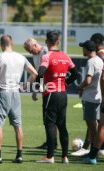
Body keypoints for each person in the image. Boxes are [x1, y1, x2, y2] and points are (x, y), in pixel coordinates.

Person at [0, 35, 37, 164]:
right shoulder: (21, 57)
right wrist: (25, 86)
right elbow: (34, 73)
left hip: (3, 91)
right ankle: (19, 155)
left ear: (1, 44)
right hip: (15, 92)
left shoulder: (0, 57)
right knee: (17, 125)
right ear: (12, 43)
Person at [35, 31, 78, 164]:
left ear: (47, 42)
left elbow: (40, 72)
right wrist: (66, 82)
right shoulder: (65, 56)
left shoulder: (47, 56)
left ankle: (50, 157)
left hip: (51, 94)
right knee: (62, 125)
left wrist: (38, 86)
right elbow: (75, 74)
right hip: (63, 94)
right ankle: (65, 156)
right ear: (58, 42)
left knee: (50, 124)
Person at [24, 38, 57, 150]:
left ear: (34, 45)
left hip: (51, 89)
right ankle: (51, 142)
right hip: (45, 90)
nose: (30, 52)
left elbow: (45, 72)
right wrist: (35, 90)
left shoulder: (45, 52)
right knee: (48, 118)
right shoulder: (35, 55)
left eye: (30, 49)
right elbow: (38, 74)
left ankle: (51, 143)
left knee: (50, 118)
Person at [84, 34, 104, 164]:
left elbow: (102, 78)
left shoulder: (100, 56)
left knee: (101, 126)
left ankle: (93, 154)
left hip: (95, 96)